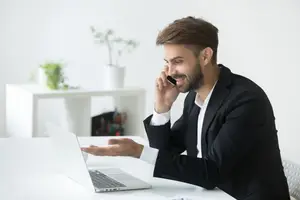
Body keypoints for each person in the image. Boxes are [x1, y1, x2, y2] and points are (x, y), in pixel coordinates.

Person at [82, 16, 290, 199]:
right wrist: (162, 109)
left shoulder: (245, 100)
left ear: (206, 56)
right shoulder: (195, 98)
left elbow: (211, 173)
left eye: (178, 61)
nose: (170, 72)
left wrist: (138, 152)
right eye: (167, 62)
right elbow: (167, 152)